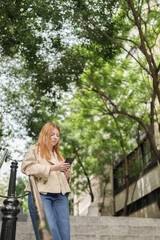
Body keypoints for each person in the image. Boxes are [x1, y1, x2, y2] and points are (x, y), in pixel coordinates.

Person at [21, 122, 71, 240]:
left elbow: (62, 178)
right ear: (45, 134)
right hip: (42, 194)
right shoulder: (34, 149)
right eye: (52, 134)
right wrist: (53, 168)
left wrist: (67, 175)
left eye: (57, 135)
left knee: (64, 233)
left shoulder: (58, 155)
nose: (55, 137)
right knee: (49, 230)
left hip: (61, 196)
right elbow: (27, 168)